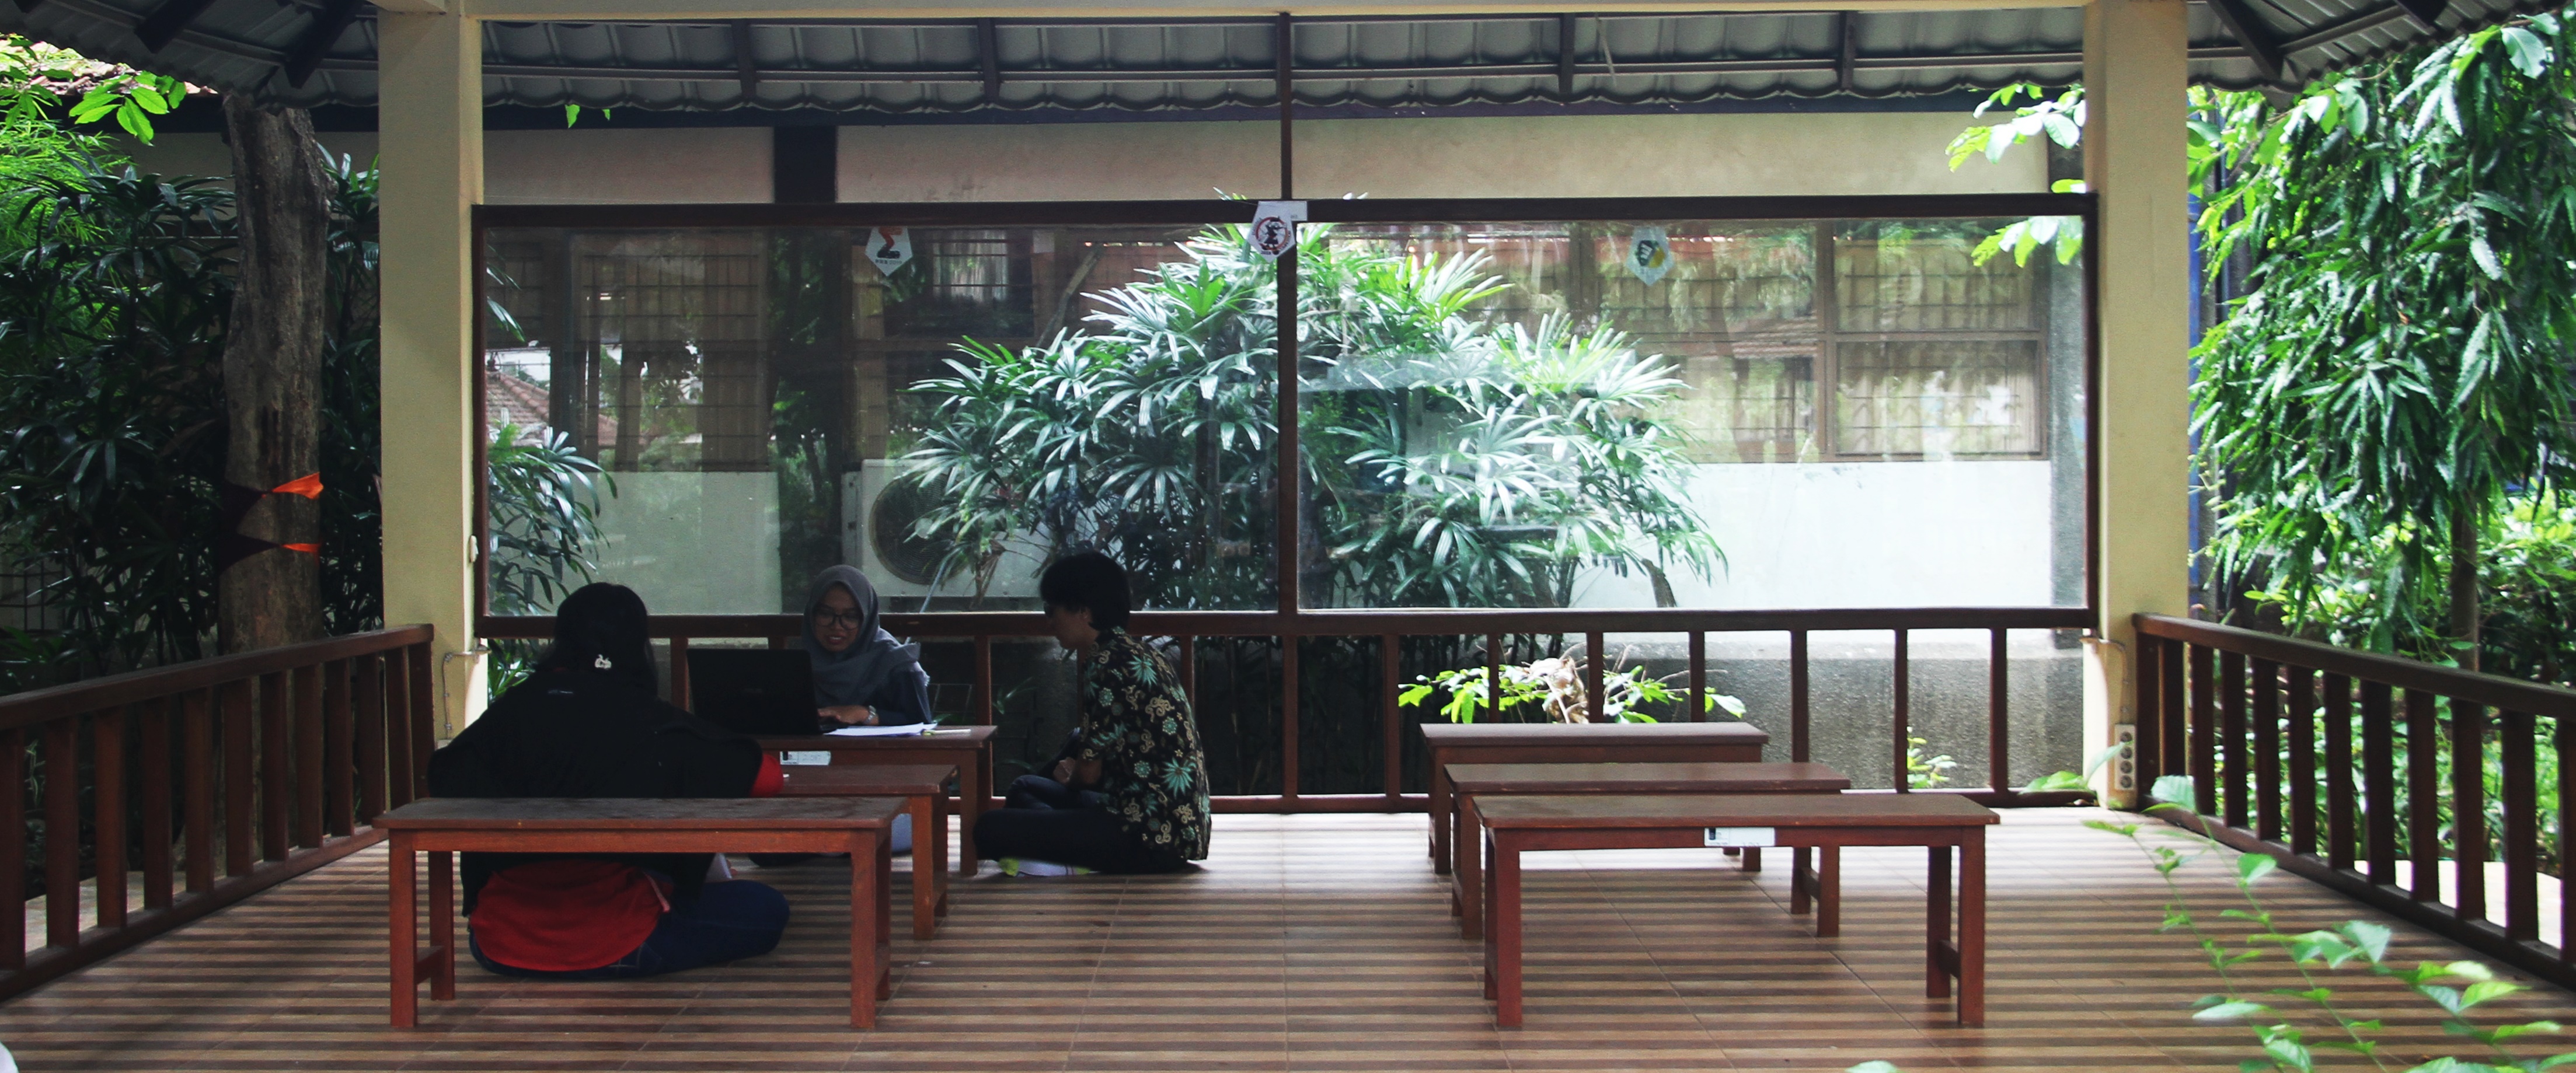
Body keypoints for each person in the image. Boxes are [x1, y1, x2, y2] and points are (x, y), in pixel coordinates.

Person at [427, 583, 790, 979]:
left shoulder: (509, 711)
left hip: (499, 946)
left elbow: (443, 777)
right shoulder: (646, 717)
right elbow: (766, 779)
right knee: (764, 906)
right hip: (619, 939)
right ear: (638, 645)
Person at [972, 551, 1211, 875]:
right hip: (1169, 827)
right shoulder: (1139, 652)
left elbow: (1088, 775)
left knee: (988, 828)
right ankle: (1064, 852)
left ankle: (1067, 857)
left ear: (1083, 610)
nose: (1049, 621)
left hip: (1146, 836)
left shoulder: (1106, 664)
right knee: (1024, 787)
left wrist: (1071, 777)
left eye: (1051, 610)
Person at [800, 565, 933, 727]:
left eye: (851, 617)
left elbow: (921, 723)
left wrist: (863, 714)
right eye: (825, 614)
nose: (837, 626)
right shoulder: (797, 665)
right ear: (811, 614)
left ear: (867, 619)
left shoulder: (898, 665)